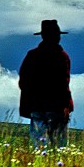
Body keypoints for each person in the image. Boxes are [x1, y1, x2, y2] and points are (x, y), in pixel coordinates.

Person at [19, 19, 73, 148]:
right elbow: (64, 83)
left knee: (39, 146)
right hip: (57, 107)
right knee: (59, 147)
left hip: (37, 107)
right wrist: (66, 105)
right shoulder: (62, 56)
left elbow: (23, 82)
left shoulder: (32, 55)